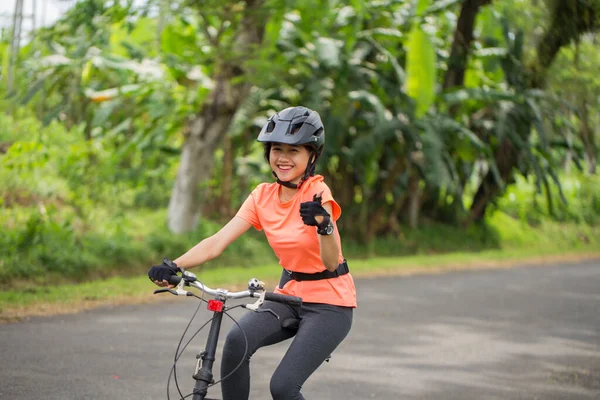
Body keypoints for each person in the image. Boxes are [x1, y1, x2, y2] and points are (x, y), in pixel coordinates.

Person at [148, 106, 357, 400]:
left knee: (283, 387)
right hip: (289, 294)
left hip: (330, 304)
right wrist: (174, 266)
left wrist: (324, 225)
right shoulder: (262, 196)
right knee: (236, 342)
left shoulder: (317, 193)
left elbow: (329, 260)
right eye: (276, 149)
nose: (283, 158)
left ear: (312, 154)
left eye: (293, 150)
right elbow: (217, 241)